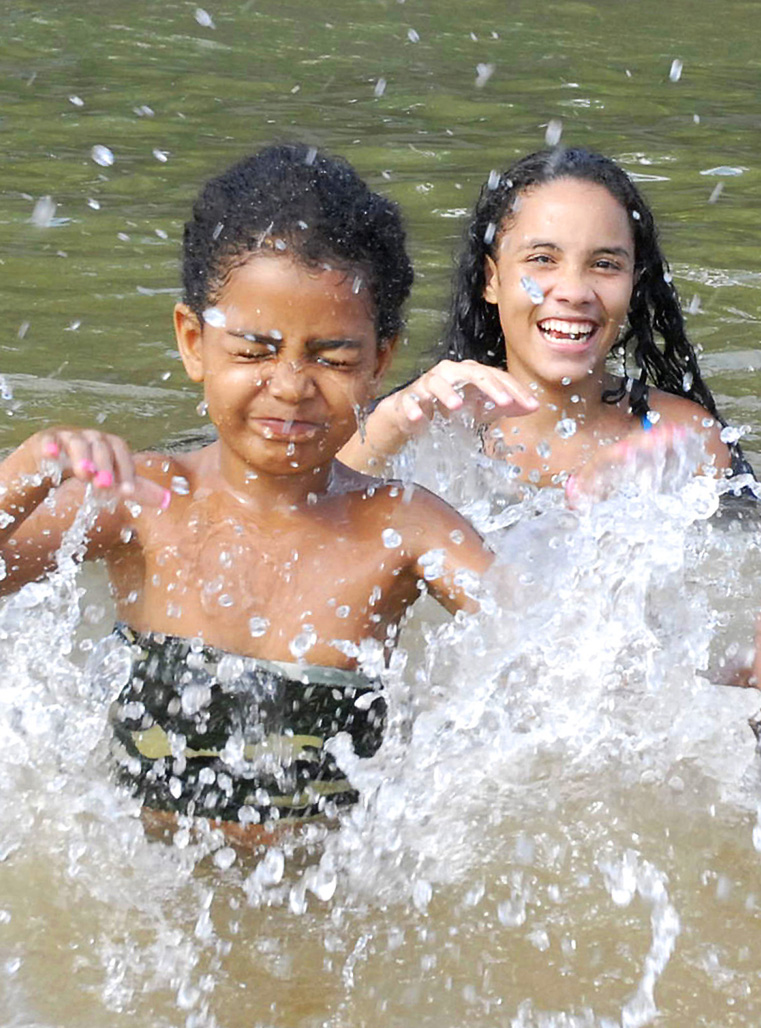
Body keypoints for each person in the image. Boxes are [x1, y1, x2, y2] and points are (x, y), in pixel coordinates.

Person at [0, 144, 493, 844]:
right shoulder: (142, 501)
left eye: (333, 357)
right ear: (193, 341)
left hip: (330, 913)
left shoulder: (403, 527)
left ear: (380, 361)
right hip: (153, 906)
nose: (291, 385)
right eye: (254, 350)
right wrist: (28, 467)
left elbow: (557, 653)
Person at [338, 147, 749, 491]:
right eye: (542, 259)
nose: (574, 291)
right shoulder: (414, 428)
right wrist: (391, 425)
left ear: (634, 284)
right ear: (492, 279)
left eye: (605, 264)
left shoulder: (682, 442)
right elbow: (309, 526)